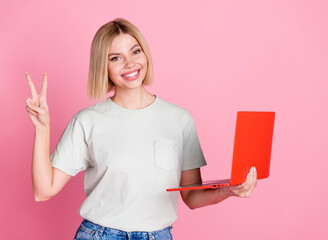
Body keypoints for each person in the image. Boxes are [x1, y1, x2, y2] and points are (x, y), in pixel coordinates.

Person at [25, 18, 257, 240]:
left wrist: (230, 190)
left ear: (145, 54)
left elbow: (191, 196)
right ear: (103, 67)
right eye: (116, 58)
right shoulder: (88, 121)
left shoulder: (179, 119)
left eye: (135, 51)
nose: (130, 63)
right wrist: (42, 129)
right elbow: (43, 190)